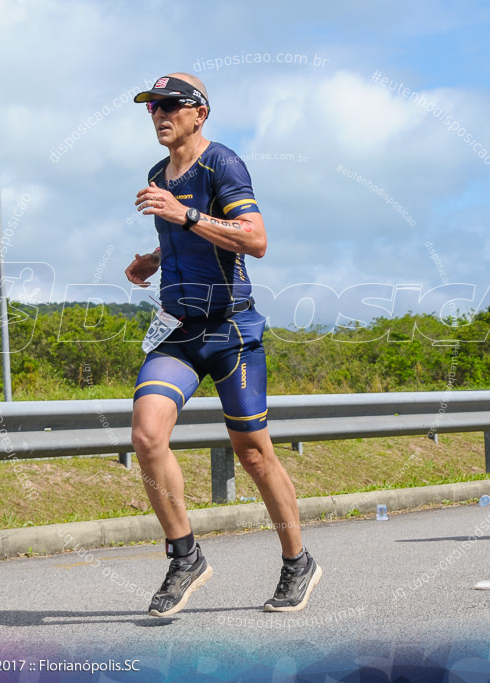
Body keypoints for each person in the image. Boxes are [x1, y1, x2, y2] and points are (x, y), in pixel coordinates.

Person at [125, 73, 321, 616]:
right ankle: (185, 555)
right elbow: (182, 234)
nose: (159, 114)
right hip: (179, 330)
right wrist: (154, 257)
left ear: (199, 114)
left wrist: (183, 213)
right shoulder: (156, 173)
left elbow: (254, 240)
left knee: (254, 455)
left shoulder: (223, 164)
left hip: (230, 330)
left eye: (170, 106)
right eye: (151, 108)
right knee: (145, 435)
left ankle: (297, 561)